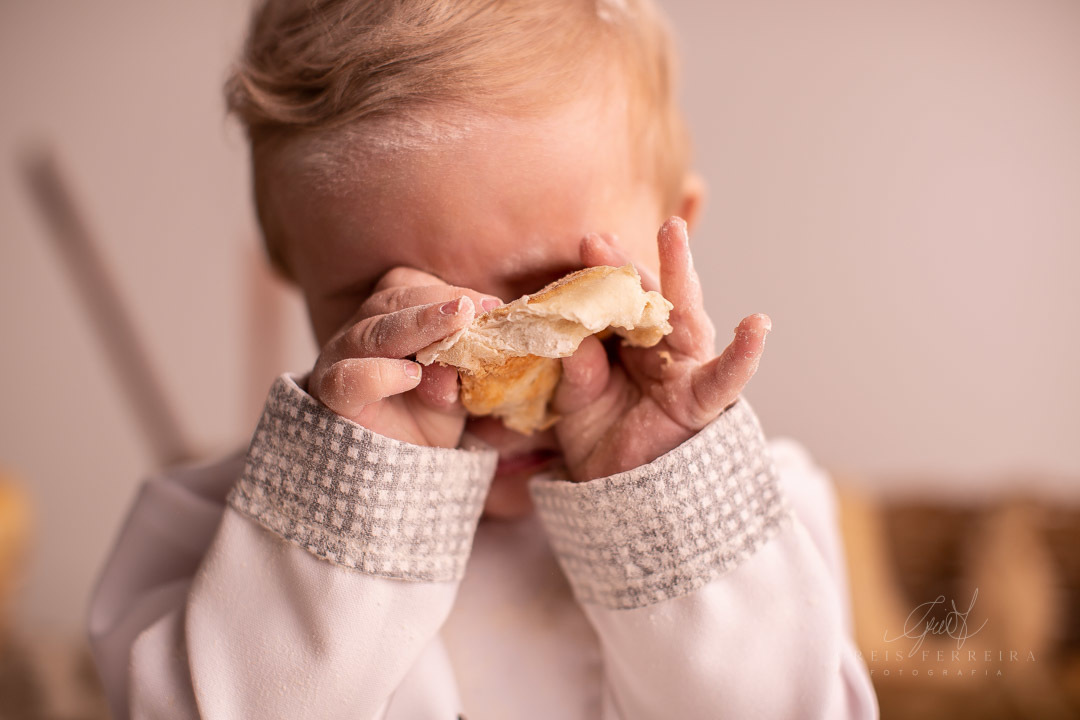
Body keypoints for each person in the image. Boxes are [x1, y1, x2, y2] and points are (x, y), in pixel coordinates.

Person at [88, 0, 879, 717]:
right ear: (294, 272)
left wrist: (660, 498)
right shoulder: (209, 531)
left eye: (557, 290)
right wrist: (360, 504)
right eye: (393, 301)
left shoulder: (759, 515)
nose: (482, 384)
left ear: (677, 232)